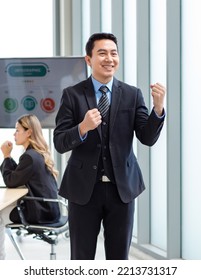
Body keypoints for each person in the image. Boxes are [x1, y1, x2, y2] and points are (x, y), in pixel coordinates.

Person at [53, 32, 166, 260]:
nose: (109, 58)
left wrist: (158, 109)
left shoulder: (132, 95)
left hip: (121, 191)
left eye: (113, 53)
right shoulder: (72, 95)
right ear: (89, 59)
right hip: (83, 191)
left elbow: (147, 137)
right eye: (102, 53)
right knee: (81, 259)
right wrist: (82, 127)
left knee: (118, 259)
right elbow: (59, 142)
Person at [0, 114, 60, 259]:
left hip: (40, 213)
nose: (14, 134)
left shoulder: (29, 157)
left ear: (29, 132)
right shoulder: (35, 154)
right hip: (49, 210)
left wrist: (7, 156)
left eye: (17, 130)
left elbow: (10, 180)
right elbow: (19, 174)